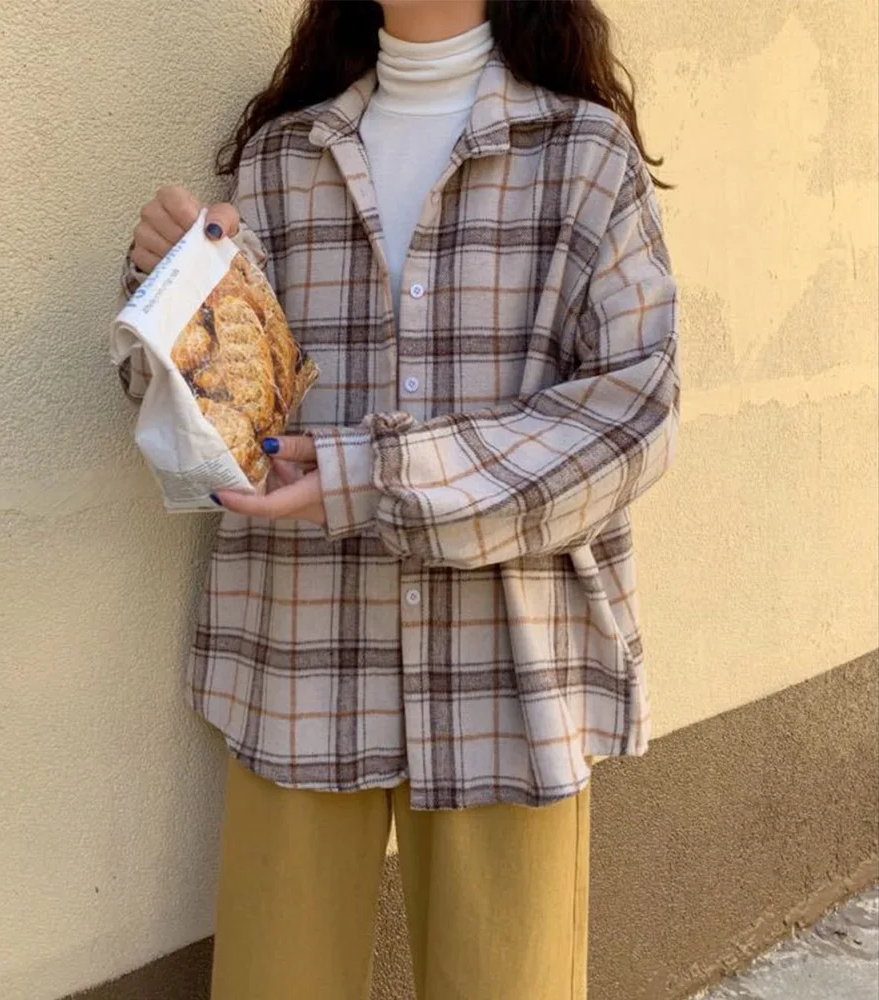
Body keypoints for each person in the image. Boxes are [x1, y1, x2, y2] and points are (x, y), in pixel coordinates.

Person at [119, 2, 679, 997]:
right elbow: (224, 423)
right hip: (302, 656)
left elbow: (632, 419)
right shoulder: (284, 157)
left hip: (507, 670)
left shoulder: (583, 156)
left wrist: (374, 476)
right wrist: (176, 293)